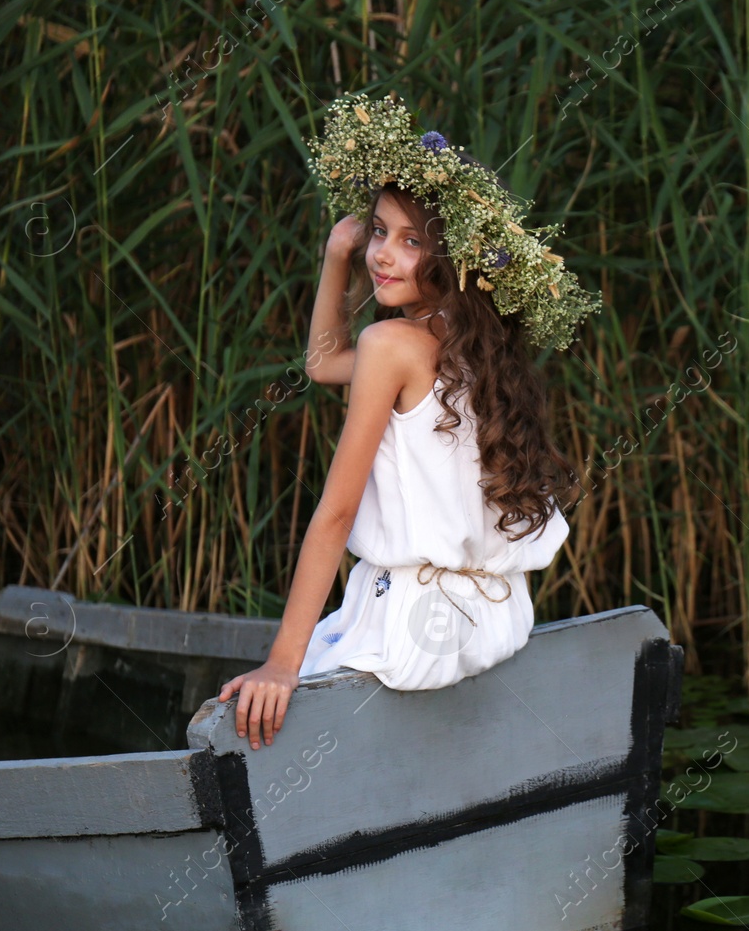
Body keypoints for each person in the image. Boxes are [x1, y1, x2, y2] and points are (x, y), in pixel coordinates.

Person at [218, 95, 601, 751]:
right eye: (378, 231)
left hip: (409, 631)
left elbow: (336, 513)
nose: (383, 254)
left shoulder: (391, 344)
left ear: (450, 258)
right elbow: (323, 363)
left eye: (411, 240)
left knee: (250, 707)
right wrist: (339, 254)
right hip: (492, 618)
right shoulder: (470, 340)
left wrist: (284, 660)